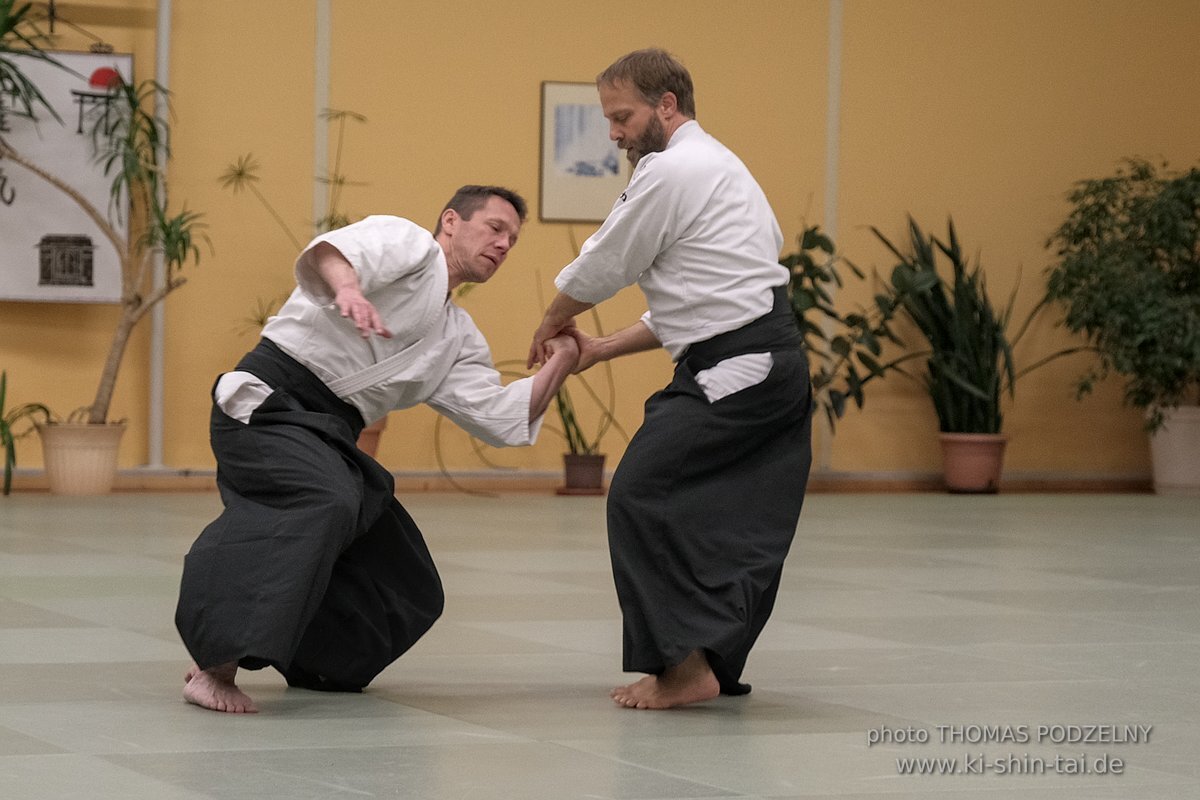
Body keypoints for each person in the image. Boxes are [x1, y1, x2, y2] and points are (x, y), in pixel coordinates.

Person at [177, 185, 579, 713]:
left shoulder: (455, 335)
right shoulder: (409, 243)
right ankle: (214, 665)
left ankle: (309, 660)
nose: (504, 244)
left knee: (405, 575)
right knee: (324, 500)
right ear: (452, 221)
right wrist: (348, 289)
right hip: (269, 403)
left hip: (328, 433)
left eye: (513, 239)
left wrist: (566, 356)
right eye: (495, 228)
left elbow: (502, 419)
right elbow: (331, 253)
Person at [529, 49, 813, 710]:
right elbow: (699, 303)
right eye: (608, 120)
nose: (614, 133)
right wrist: (598, 347)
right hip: (757, 362)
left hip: (742, 368)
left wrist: (552, 321)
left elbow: (606, 261)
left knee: (640, 494)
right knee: (726, 517)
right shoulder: (722, 168)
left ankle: (686, 670)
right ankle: (706, 662)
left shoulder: (676, 168)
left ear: (666, 105)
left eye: (622, 117)